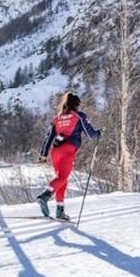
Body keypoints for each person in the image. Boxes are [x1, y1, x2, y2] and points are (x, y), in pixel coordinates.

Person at [36, 92, 101, 221]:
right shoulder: (79, 116)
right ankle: (44, 196)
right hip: (68, 150)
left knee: (61, 180)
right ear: (76, 105)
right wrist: (99, 134)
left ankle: (60, 211)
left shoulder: (57, 118)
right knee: (62, 178)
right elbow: (91, 134)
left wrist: (43, 155)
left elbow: (48, 137)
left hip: (55, 152)